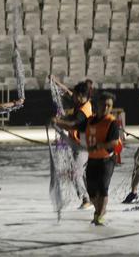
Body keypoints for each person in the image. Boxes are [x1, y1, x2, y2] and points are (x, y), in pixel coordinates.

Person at [57, 91, 122, 226]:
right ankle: (98, 212)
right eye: (103, 105)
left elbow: (114, 142)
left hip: (106, 160)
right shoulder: (90, 120)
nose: (106, 108)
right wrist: (57, 122)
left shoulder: (112, 122)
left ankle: (100, 215)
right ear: (97, 105)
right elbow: (73, 125)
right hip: (92, 159)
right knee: (92, 191)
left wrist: (100, 145)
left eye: (109, 106)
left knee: (103, 187)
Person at [58, 81, 95, 210]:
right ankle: (90, 197)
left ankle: (86, 199)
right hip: (79, 144)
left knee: (75, 173)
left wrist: (58, 122)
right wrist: (56, 82)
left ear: (80, 96)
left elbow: (73, 123)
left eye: (74, 95)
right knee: (81, 173)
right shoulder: (84, 103)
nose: (72, 97)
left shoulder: (83, 112)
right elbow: (69, 93)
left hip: (83, 145)